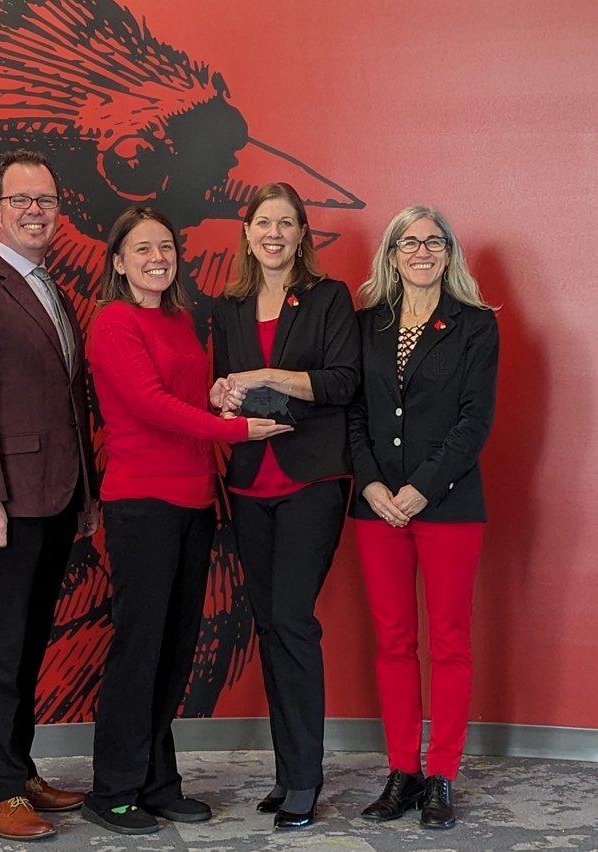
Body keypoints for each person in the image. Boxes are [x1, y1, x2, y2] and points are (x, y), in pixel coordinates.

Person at [81, 207, 291, 836]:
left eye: (165, 247)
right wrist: (232, 428)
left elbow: (183, 397)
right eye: (142, 248)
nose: (157, 257)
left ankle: (157, 782)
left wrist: (218, 397)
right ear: (119, 261)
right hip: (143, 504)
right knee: (139, 649)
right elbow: (149, 406)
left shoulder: (176, 319)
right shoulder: (115, 322)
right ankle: (113, 789)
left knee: (173, 652)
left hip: (194, 502)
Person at [0, 149, 99, 841]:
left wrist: (86, 495)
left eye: (47, 201)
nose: (36, 211)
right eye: (22, 200)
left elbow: (68, 403)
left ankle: (19, 768)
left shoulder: (49, 287)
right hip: (7, 501)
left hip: (57, 496)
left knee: (29, 642)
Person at [211, 182, 361, 829]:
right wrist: (222, 395)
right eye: (263, 223)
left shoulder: (329, 299)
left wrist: (269, 376)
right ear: (247, 233)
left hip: (310, 480)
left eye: (286, 224)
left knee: (294, 621)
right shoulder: (230, 307)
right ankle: (285, 771)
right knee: (270, 626)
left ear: (303, 234)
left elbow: (343, 381)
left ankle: (306, 778)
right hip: (247, 482)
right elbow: (221, 385)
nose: (274, 234)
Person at [348, 205, 499, 830]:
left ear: (449, 253)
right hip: (376, 506)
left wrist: (420, 490)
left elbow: (474, 422)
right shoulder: (363, 326)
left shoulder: (475, 326)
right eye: (408, 242)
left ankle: (441, 775)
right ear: (391, 254)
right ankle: (403, 770)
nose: (421, 251)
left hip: (449, 504)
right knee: (392, 642)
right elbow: (352, 415)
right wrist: (375, 483)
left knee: (449, 642)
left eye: (433, 241)